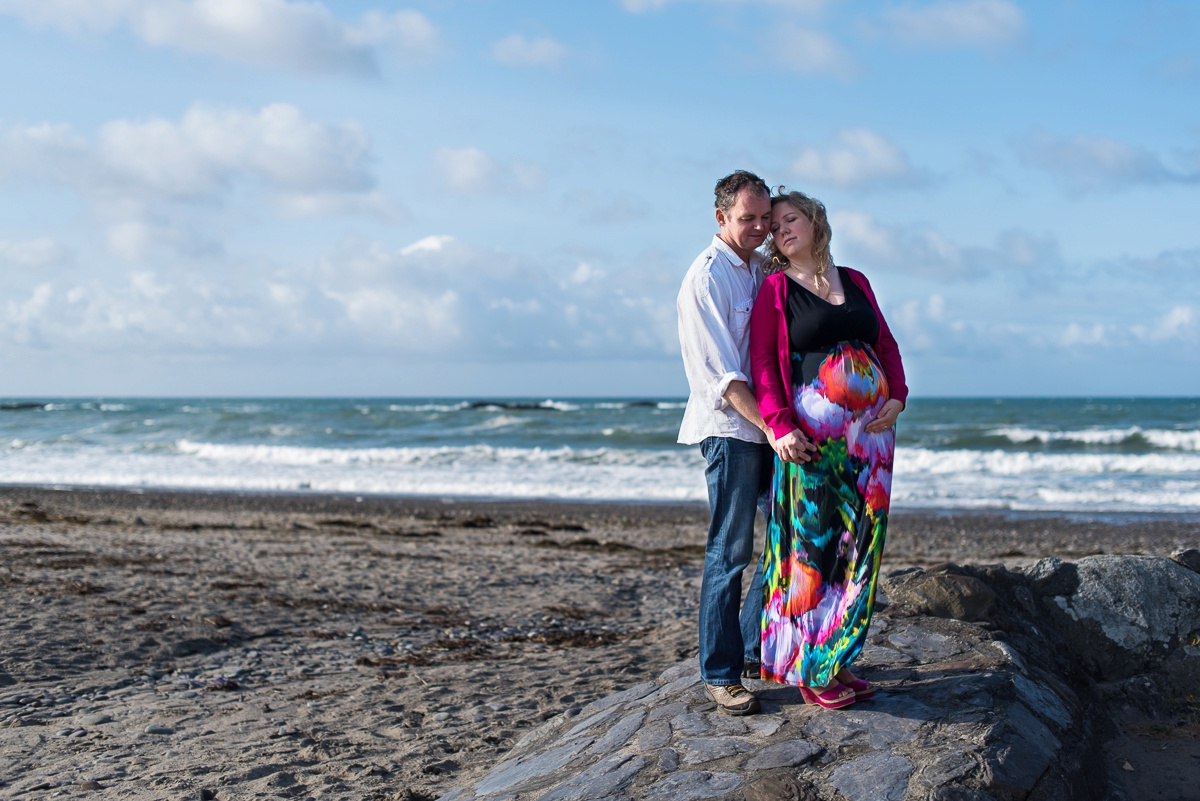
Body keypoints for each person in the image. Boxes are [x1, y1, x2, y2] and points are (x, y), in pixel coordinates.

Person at [748, 188, 907, 710]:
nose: (781, 231)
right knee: (813, 549)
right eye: (773, 228)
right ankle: (810, 668)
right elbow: (766, 366)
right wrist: (779, 425)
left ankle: (837, 656)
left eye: (789, 219)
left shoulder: (856, 280)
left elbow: (885, 344)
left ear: (815, 221)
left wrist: (898, 397)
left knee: (861, 549)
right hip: (813, 442)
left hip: (872, 441)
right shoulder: (775, 290)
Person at [677, 171, 816, 716]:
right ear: (720, 218)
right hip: (734, 432)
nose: (760, 228)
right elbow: (723, 379)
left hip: (773, 428)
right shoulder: (706, 279)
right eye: (747, 219)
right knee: (730, 552)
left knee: (787, 539)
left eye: (765, 218)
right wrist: (776, 429)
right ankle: (720, 673)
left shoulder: (763, 265)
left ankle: (758, 649)